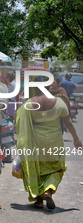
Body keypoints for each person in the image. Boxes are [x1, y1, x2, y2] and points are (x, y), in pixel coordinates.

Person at [16, 76, 82, 210]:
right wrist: (76, 139)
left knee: (38, 169)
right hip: (54, 141)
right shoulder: (59, 102)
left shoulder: (28, 104)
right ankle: (48, 192)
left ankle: (39, 201)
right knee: (56, 167)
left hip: (36, 142)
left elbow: (19, 123)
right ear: (49, 87)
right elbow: (68, 122)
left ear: (35, 88)